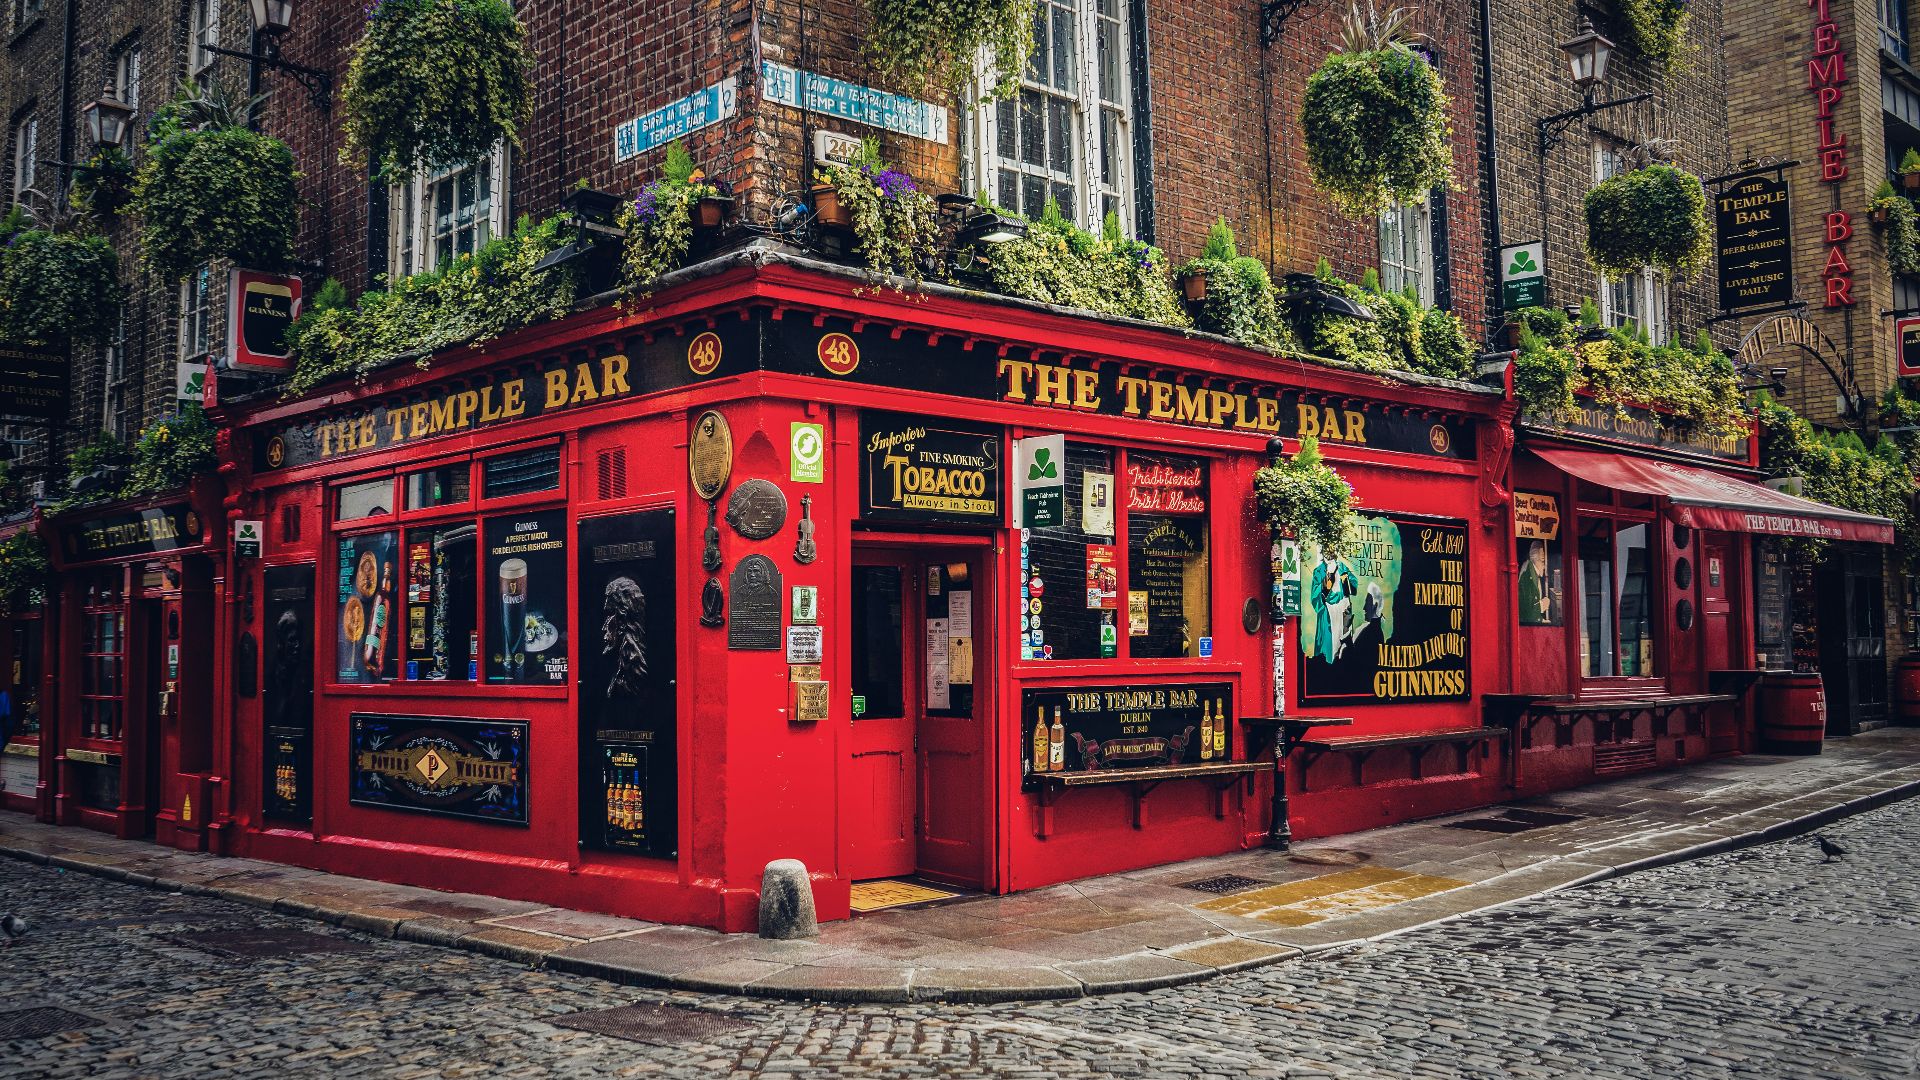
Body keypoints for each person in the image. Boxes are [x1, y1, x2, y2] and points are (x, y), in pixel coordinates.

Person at [1519, 540, 1556, 626]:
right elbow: (1527, 612)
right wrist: (1542, 605)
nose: (1544, 566)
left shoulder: (1533, 573)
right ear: (1535, 559)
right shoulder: (1528, 577)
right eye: (1542, 561)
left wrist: (1541, 620)